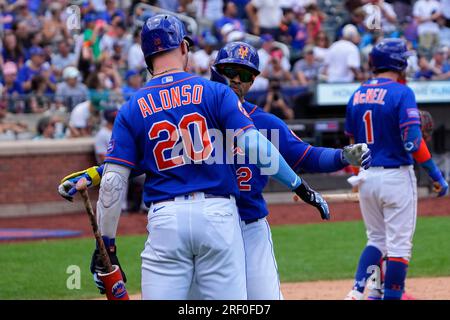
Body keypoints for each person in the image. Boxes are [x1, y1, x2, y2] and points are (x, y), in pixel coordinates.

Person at [58, 41, 371, 300]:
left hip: (248, 223)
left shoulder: (264, 123)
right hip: (215, 221)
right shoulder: (199, 111)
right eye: (230, 71)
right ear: (215, 72)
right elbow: (147, 159)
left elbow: (306, 155)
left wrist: (343, 155)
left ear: (253, 81)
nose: (236, 80)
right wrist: (97, 173)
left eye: (245, 75)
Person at [344, 38, 448, 300]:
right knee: (399, 247)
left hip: (366, 176)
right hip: (396, 175)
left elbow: (351, 146)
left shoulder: (356, 94)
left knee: (376, 240)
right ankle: (391, 296)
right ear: (399, 63)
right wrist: (436, 176)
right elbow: (413, 141)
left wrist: (357, 176)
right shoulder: (402, 93)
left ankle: (363, 293)